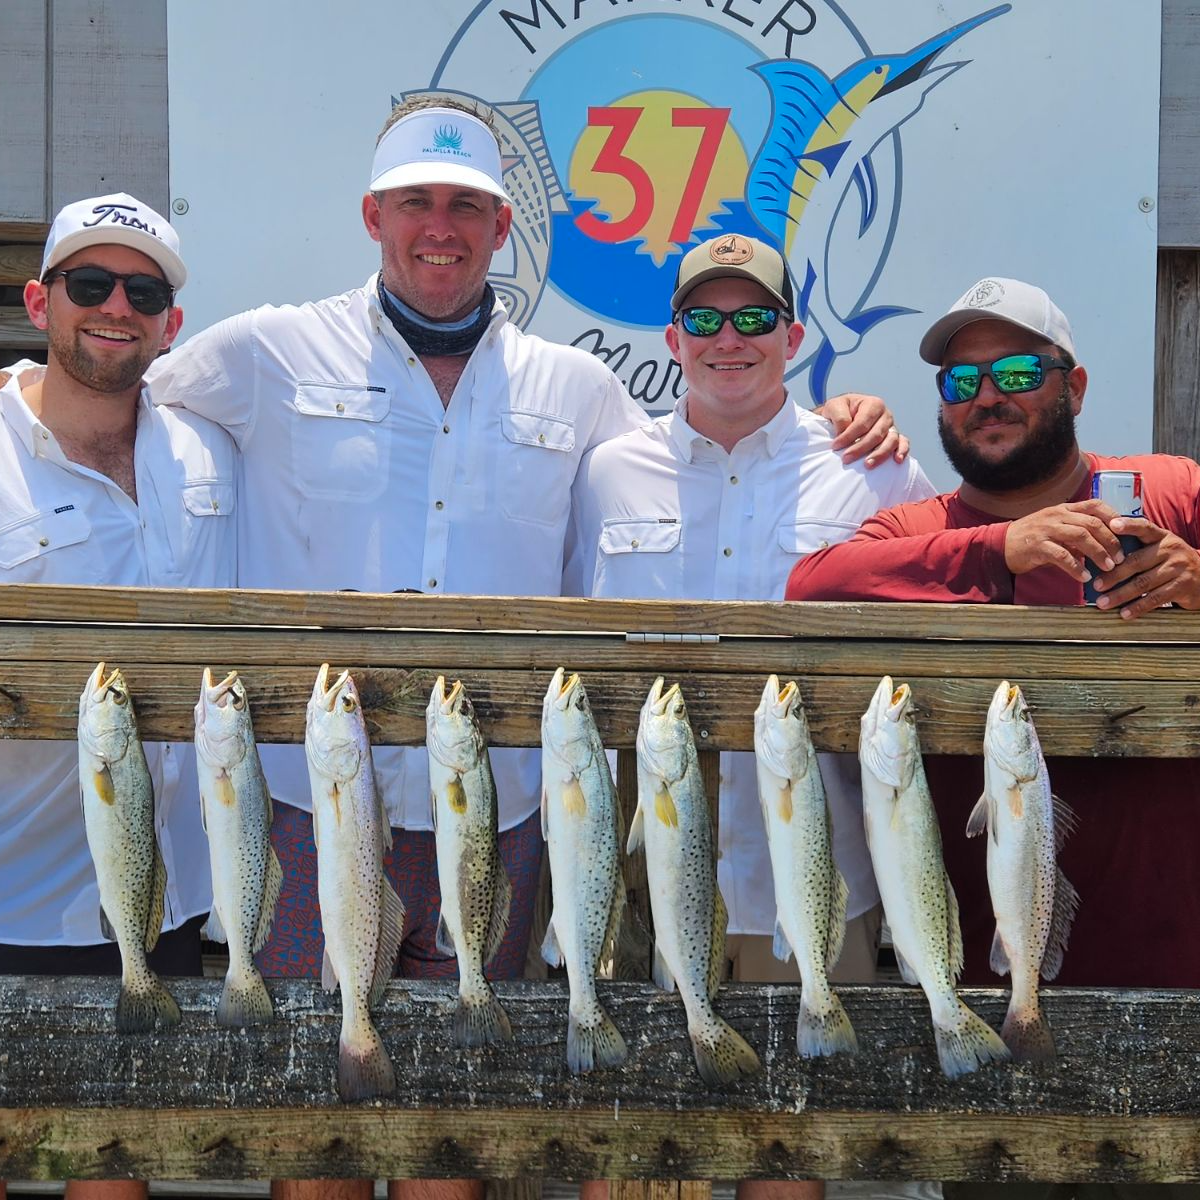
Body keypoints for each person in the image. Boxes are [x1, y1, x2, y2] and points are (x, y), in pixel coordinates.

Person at [146, 96, 901, 1200]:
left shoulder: (581, 393)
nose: (439, 226)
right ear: (373, 215)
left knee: (460, 1114)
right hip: (305, 804)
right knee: (313, 1119)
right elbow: (116, 397)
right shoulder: (266, 349)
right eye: (417, 202)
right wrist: (19, 386)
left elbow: (705, 451)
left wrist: (848, 415)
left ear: (505, 230)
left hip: (502, 814)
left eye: (468, 205)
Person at [786, 276, 1200, 1200]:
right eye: (959, 379)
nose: (986, 396)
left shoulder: (1169, 493)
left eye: (1016, 370)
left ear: (1076, 386)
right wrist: (996, 550)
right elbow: (813, 587)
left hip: (1178, 983)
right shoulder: (922, 528)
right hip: (990, 996)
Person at [568, 234, 934, 1200]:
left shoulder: (877, 473)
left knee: (786, 1148)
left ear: (794, 333)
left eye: (753, 317)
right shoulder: (607, 471)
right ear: (673, 336)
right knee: (629, 1141)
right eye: (705, 318)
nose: (730, 338)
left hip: (813, 865)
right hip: (640, 870)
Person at [0, 193, 236, 1200]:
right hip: (11, 892)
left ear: (171, 323)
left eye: (144, 290)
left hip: (164, 897)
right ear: (38, 299)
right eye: (90, 284)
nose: (117, 307)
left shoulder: (209, 456)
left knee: (118, 1167)